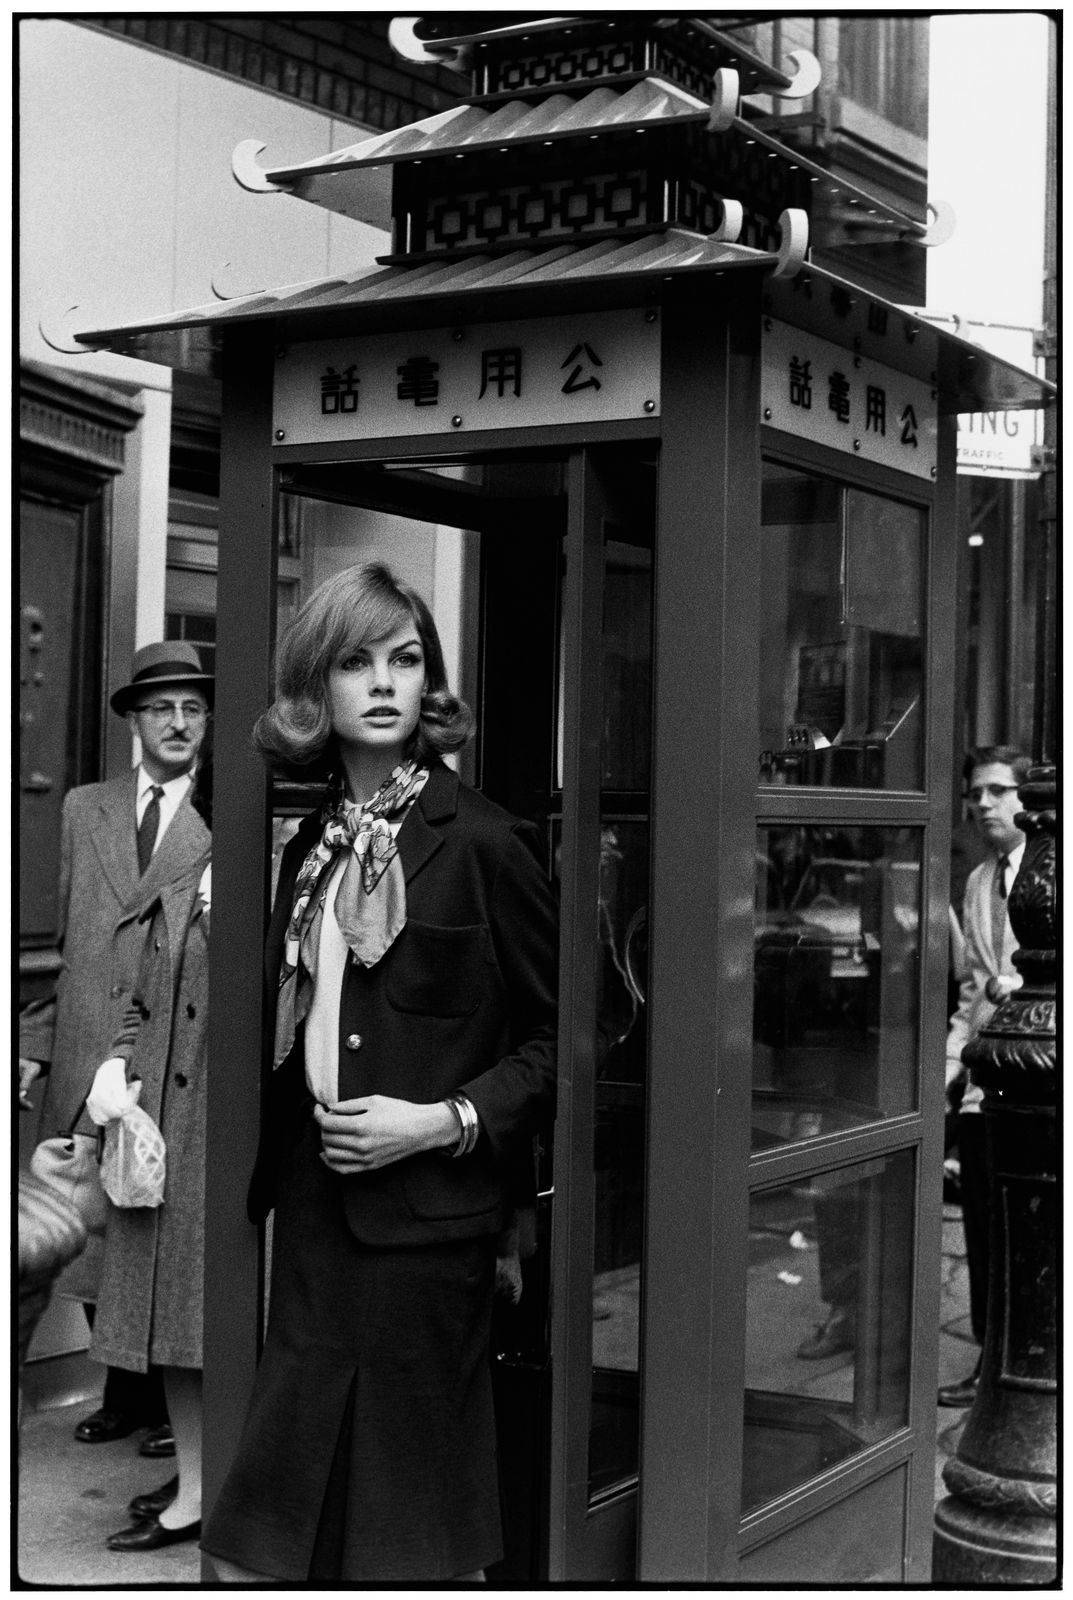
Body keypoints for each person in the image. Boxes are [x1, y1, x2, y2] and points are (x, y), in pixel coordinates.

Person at [201, 563, 558, 1584]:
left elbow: (558, 1044)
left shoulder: (485, 842)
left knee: (410, 1530)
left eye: (404, 659)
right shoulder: (309, 844)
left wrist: (440, 1119)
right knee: (279, 1530)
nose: (383, 682)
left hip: (426, 1227)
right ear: (315, 688)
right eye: (355, 661)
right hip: (314, 1216)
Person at [19, 641, 212, 1454]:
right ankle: (125, 1395)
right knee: (91, 1233)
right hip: (85, 1049)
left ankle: (175, 1408)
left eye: (192, 708)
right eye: (161, 707)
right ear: (134, 719)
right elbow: (63, 938)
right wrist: (33, 1043)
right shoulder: (83, 808)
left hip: (162, 1052)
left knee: (155, 1230)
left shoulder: (227, 813)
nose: (177, 723)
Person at [81, 754, 212, 1551]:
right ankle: (195, 1488)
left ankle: (213, 1486)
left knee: (214, 1328)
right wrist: (113, 1071)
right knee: (169, 1331)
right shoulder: (185, 878)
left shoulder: (292, 885)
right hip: (159, 1132)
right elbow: (141, 1000)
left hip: (225, 1141)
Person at [938, 745, 1030, 1407]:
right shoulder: (976, 882)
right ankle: (990, 1364)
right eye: (977, 793)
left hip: (1043, 1088)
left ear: (1031, 800)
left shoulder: (1053, 873)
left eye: (999, 790)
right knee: (982, 1230)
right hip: (983, 1086)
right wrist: (949, 1071)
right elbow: (970, 991)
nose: (984, 804)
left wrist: (1019, 985)